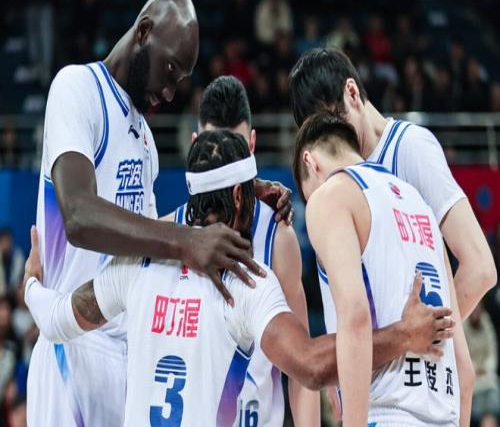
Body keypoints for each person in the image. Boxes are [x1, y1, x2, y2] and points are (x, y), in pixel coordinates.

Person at [25, 130, 455, 426]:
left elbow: (58, 320)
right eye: (251, 191)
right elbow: (310, 366)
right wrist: (403, 335)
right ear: (237, 196)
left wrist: (30, 286)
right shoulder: (245, 281)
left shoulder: (136, 265)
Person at [31, 0, 291, 425]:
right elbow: (78, 215)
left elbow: (151, 235)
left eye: (181, 79)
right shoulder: (77, 88)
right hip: (69, 346)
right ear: (144, 32)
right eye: (170, 68)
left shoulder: (146, 141)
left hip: (125, 353)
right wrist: (186, 240)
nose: (171, 92)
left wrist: (238, 187)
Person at [289, 48, 496, 321]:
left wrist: (429, 336)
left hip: (398, 347)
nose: (331, 138)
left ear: (352, 93)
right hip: (361, 345)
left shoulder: (410, 147)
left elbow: (480, 267)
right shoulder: (330, 174)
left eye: (333, 122)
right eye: (318, 131)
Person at [293, 113, 472, 426]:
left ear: (311, 162)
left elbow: (356, 316)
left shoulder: (330, 196)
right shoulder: (421, 206)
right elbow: (464, 369)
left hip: (385, 413)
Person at [166, 75, 319, 426]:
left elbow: (301, 368)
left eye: (234, 151)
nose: (224, 164)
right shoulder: (167, 233)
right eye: (215, 149)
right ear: (196, 147)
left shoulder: (276, 234)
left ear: (251, 147)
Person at [464, 302, 500, 427]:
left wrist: (486, 367)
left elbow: (492, 351)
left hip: (487, 375)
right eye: (473, 310)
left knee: (492, 398)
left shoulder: (486, 323)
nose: (475, 313)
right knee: (478, 406)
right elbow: (463, 355)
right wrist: (475, 369)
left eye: (478, 310)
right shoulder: (463, 326)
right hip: (472, 376)